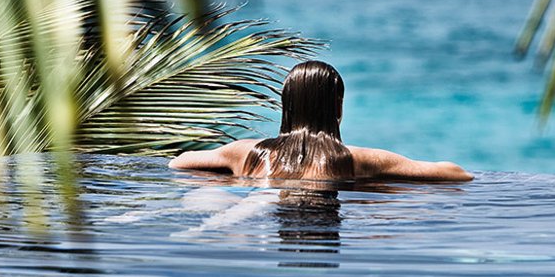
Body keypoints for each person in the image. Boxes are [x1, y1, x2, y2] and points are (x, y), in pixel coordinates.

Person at [169, 61, 474, 182]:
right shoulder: (360, 159)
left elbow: (179, 162)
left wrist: (227, 178)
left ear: (286, 106)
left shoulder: (247, 152)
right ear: (337, 107)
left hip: (259, 206)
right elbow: (457, 175)